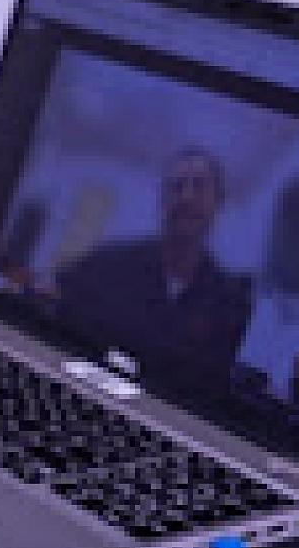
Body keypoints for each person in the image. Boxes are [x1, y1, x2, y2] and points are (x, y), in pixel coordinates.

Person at [53, 145, 253, 378]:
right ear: (162, 200)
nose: (186, 197)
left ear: (218, 203)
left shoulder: (230, 305)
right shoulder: (103, 266)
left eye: (199, 187)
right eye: (176, 187)